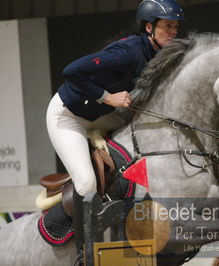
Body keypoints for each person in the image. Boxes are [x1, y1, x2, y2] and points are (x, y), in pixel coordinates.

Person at [45, 0, 184, 263]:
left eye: (176, 27)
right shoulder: (128, 51)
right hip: (68, 117)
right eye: (167, 26)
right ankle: (83, 254)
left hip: (102, 119)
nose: (173, 32)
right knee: (86, 183)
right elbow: (71, 71)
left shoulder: (159, 54)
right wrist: (108, 98)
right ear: (148, 28)